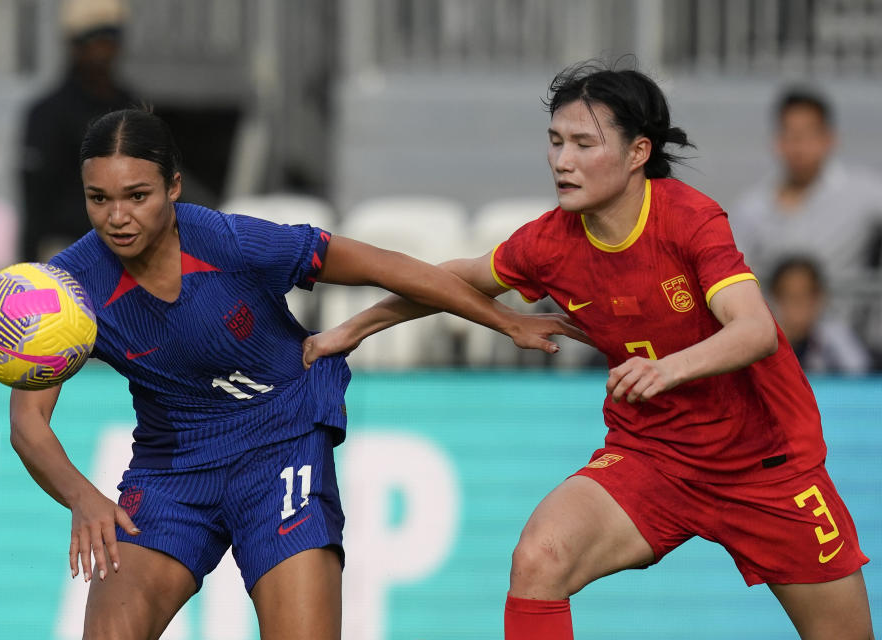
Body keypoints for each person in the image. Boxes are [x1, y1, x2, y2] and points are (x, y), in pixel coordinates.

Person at [303, 62, 874, 639]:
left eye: (583, 143)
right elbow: (454, 279)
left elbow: (755, 331)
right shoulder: (551, 242)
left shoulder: (690, 219)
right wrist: (353, 330)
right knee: (538, 559)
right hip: (653, 457)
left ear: (637, 153)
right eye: (555, 142)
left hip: (766, 466)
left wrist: (669, 368)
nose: (561, 160)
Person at [7, 108, 582, 640]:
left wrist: (503, 320)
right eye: (98, 199)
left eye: (137, 196)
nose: (117, 217)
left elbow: (390, 267)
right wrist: (83, 498)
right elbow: (28, 424)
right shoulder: (66, 290)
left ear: (174, 188)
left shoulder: (234, 242)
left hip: (283, 445)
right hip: (172, 474)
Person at [730, 86, 882, 293]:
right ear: (777, 142)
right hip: (774, 323)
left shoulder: (864, 192)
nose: (799, 147)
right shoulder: (751, 208)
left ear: (830, 139)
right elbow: (734, 276)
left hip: (842, 323)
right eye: (791, 135)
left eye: (808, 134)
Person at [18, 0, 136, 263]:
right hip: (66, 252)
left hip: (126, 247)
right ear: (75, 45)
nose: (105, 50)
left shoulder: (131, 106)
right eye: (96, 39)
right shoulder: (48, 113)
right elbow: (35, 198)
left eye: (112, 37)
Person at [769, 256, 872, 375]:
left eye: (806, 296)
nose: (799, 306)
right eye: (791, 297)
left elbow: (860, 375)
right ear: (774, 299)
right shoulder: (765, 341)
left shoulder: (836, 336)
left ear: (820, 298)